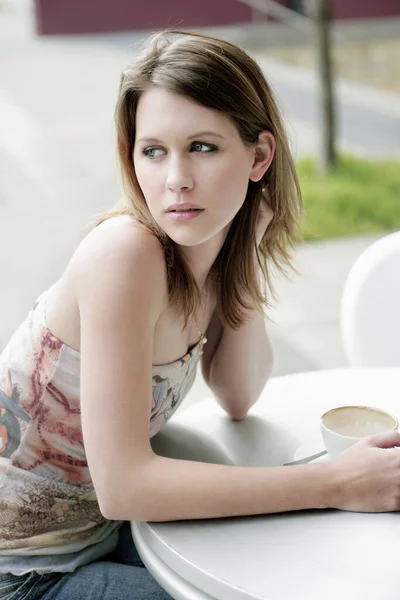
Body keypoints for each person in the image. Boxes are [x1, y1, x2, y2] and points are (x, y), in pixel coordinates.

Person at [0, 29, 400, 600]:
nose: (175, 179)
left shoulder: (204, 251)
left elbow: (239, 393)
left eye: (203, 147)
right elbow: (126, 487)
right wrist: (332, 482)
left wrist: (248, 250)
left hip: (98, 534)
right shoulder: (126, 254)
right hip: (22, 573)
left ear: (259, 156)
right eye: (153, 151)